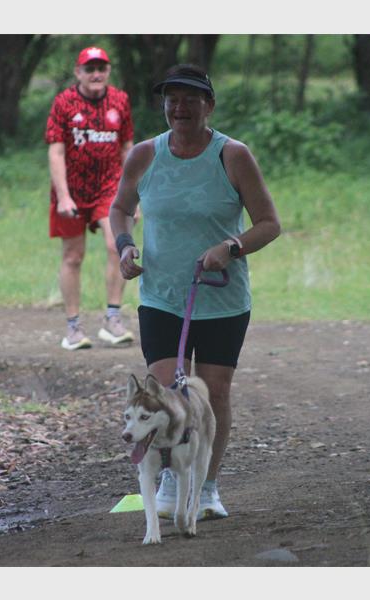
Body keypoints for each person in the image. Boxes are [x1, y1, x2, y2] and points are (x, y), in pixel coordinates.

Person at [109, 64, 281, 520]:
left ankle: (206, 486)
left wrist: (231, 246)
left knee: (213, 394)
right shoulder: (145, 155)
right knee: (167, 391)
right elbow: (121, 208)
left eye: (189, 99)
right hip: (162, 296)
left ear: (209, 104)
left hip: (221, 299)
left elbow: (269, 224)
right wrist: (125, 246)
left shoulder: (233, 156)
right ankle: (171, 475)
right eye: (171, 99)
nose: (179, 108)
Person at [45, 46, 135, 350]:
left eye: (101, 68)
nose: (96, 74)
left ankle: (112, 319)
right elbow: (56, 150)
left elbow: (127, 148)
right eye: (89, 68)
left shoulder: (120, 101)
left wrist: (132, 197)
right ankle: (73, 328)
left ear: (108, 71)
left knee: (117, 245)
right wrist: (64, 197)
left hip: (109, 187)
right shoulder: (64, 102)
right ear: (78, 72)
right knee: (73, 256)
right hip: (72, 189)